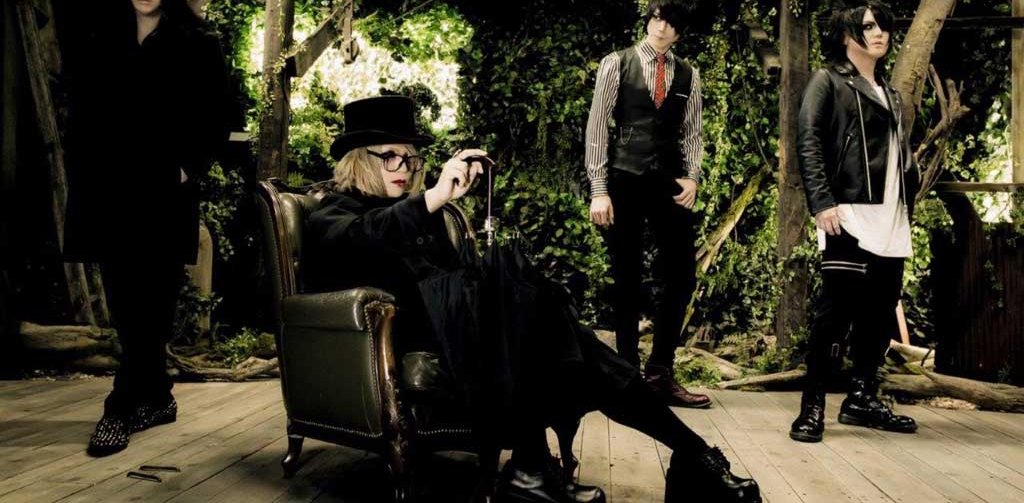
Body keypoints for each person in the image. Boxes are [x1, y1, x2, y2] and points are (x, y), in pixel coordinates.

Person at [305, 95, 761, 503]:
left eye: (410, 158)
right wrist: (433, 198)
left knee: (572, 342)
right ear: (358, 160)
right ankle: (540, 467)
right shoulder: (334, 210)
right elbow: (362, 239)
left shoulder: (419, 214)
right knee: (539, 311)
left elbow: (455, 275)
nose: (404, 168)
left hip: (472, 332)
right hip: (412, 336)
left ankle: (680, 454)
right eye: (390, 157)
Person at [63, 0, 233, 456]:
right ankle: (157, 396)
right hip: (109, 191)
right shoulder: (103, 40)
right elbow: (83, 113)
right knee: (124, 303)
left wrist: (187, 166)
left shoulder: (196, 44)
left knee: (152, 302)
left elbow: (220, 115)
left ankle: (118, 407)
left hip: (162, 192)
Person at [790, 0, 920, 443]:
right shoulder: (827, 81)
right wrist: (821, 202)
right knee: (833, 314)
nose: (880, 33)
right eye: (868, 27)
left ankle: (861, 399)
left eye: (884, 26)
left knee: (880, 316)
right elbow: (808, 140)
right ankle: (811, 406)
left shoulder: (891, 93)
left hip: (891, 219)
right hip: (847, 214)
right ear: (848, 36)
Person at [584, 0, 709, 408]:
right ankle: (626, 378)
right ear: (648, 17)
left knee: (682, 275)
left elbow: (693, 132)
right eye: (656, 17)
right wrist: (599, 189)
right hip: (624, 179)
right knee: (627, 278)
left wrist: (692, 176)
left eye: (669, 21)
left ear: (680, 30)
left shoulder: (689, 74)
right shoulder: (616, 64)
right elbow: (597, 127)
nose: (660, 26)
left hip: (669, 183)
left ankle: (659, 373)